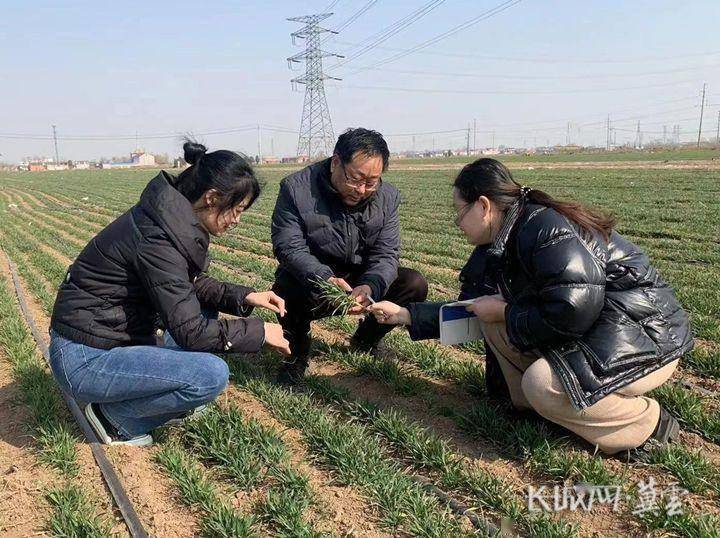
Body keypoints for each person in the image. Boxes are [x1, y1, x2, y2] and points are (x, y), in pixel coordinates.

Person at [368, 158, 693, 457]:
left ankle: (648, 425)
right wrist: (403, 314)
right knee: (491, 317)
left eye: (460, 210)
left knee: (541, 382)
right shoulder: (494, 246)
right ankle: (537, 409)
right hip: (600, 331)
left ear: (483, 206)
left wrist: (507, 312)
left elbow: (572, 311)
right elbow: (474, 311)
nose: (457, 222)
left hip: (646, 336)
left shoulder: (545, 229)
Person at [49, 141, 290, 446]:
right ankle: (116, 419)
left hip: (102, 341)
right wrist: (259, 332)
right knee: (211, 375)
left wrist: (245, 296)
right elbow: (191, 333)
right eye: (237, 210)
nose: (237, 220)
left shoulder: (168, 219)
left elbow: (186, 284)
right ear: (211, 197)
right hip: (86, 359)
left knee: (204, 307)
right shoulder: (159, 238)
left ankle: (163, 394)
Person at [271, 128, 428, 384]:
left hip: (360, 278)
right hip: (316, 278)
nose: (362, 189)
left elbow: (386, 253)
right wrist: (324, 278)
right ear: (336, 162)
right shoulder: (296, 189)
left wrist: (371, 284)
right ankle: (296, 354)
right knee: (285, 289)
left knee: (413, 283)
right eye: (355, 178)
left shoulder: (386, 199)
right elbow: (288, 247)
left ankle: (365, 340)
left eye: (372, 181)